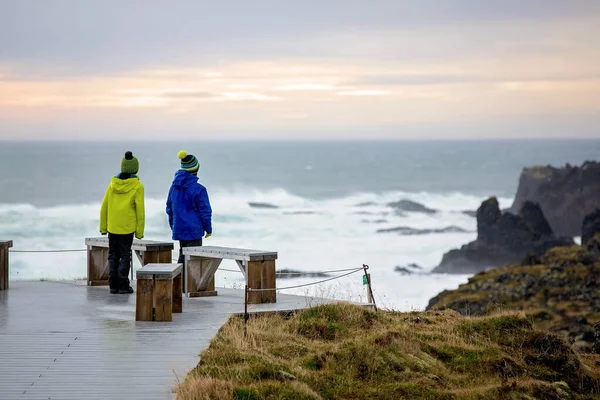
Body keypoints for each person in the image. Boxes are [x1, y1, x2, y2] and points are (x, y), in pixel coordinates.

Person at [100, 151, 145, 294]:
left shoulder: (112, 184)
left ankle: (113, 285)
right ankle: (123, 285)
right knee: (125, 255)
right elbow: (140, 211)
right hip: (127, 228)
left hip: (112, 227)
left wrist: (103, 227)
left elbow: (104, 206)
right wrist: (139, 231)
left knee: (113, 254)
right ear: (135, 169)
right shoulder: (138, 186)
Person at [166, 150, 212, 291]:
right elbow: (205, 212)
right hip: (194, 231)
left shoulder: (174, 187)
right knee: (192, 260)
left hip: (180, 229)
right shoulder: (199, 189)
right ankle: (186, 288)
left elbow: (169, 208)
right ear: (196, 169)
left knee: (183, 255)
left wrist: (174, 226)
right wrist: (208, 229)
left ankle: (179, 287)